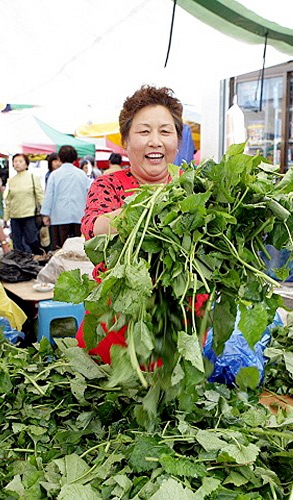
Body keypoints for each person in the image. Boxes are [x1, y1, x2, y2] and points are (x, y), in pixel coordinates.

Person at [77, 85, 184, 363]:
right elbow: (93, 229)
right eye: (144, 131)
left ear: (177, 141)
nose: (155, 141)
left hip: (179, 323)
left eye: (165, 131)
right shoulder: (108, 185)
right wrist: (149, 207)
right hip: (116, 323)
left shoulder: (193, 187)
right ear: (125, 141)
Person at [40, 145, 89, 250]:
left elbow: (49, 195)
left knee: (60, 248)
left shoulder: (54, 175)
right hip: (79, 216)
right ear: (75, 158)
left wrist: (46, 214)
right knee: (78, 248)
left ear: (60, 158)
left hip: (59, 216)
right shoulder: (82, 174)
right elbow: (88, 193)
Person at [3, 153, 43, 254]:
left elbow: (40, 196)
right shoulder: (11, 181)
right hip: (15, 216)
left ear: (26, 164)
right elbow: (8, 200)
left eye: (20, 161)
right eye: (15, 161)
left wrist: (44, 213)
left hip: (30, 215)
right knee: (17, 242)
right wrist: (6, 217)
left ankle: (35, 257)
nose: (17, 164)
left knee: (31, 239)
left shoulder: (33, 178)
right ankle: (20, 263)